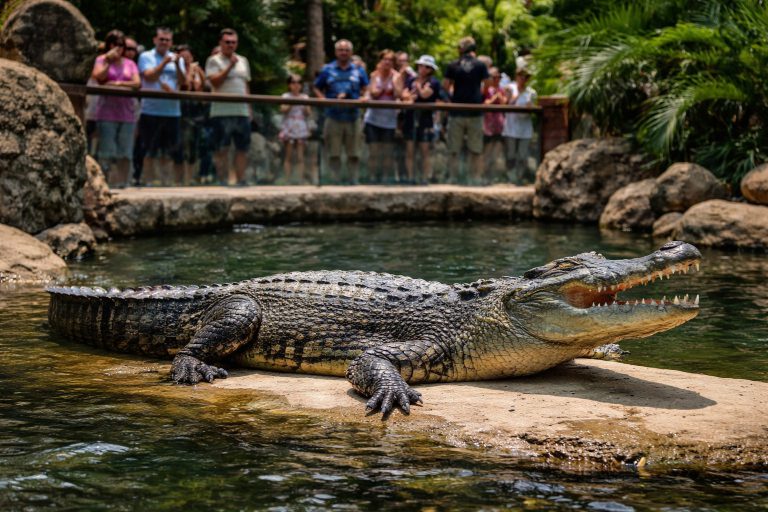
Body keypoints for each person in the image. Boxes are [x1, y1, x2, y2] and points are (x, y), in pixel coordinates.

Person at [313, 39, 369, 185]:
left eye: (346, 50)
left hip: (353, 116)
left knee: (354, 153)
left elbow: (367, 88)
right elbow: (316, 87)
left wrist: (364, 97)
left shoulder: (358, 70)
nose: (343, 52)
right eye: (341, 50)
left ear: (351, 52)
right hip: (333, 116)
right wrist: (323, 100)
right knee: (333, 152)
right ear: (336, 52)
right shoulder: (327, 69)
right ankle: (335, 181)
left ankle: (353, 180)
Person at [137, 27, 187, 185]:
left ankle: (170, 182)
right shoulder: (146, 56)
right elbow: (149, 77)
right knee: (149, 150)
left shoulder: (177, 59)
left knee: (171, 151)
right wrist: (164, 63)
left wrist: (177, 65)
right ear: (155, 40)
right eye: (161, 39)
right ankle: (148, 181)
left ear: (171, 42)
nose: (164, 42)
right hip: (150, 111)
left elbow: (183, 82)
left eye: (167, 40)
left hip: (172, 112)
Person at [90, 29, 140, 188]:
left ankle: (124, 183)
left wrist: (118, 84)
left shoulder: (130, 63)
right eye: (114, 44)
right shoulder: (100, 60)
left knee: (125, 152)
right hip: (106, 113)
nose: (117, 48)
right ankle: (104, 184)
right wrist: (108, 61)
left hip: (127, 114)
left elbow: (137, 83)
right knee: (107, 151)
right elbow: (99, 78)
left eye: (121, 45)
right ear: (108, 44)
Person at [205, 28, 252, 186]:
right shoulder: (213, 60)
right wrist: (229, 67)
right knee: (222, 148)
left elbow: (245, 85)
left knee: (242, 148)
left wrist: (249, 108)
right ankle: (223, 180)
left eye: (233, 42)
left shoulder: (243, 60)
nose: (230, 45)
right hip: (221, 111)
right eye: (227, 42)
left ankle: (241, 180)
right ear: (220, 42)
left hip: (241, 111)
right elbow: (215, 82)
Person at [443, 36, 489, 185]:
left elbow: (445, 86)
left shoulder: (453, 64)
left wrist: (454, 96)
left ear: (461, 49)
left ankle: (453, 178)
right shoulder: (481, 65)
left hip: (457, 110)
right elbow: (487, 85)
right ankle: (474, 178)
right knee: (475, 149)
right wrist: (479, 96)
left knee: (453, 149)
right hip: (475, 110)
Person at [363, 49, 403, 184]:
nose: (387, 62)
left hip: (389, 121)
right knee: (373, 151)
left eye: (390, 60)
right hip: (373, 119)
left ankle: (385, 178)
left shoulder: (397, 76)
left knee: (387, 152)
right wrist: (385, 85)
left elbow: (398, 94)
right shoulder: (375, 75)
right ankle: (372, 177)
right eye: (385, 59)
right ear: (380, 61)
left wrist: (393, 82)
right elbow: (374, 93)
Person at [402, 54, 440, 185]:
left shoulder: (434, 82)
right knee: (410, 150)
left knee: (425, 151)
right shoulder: (410, 80)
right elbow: (404, 95)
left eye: (426, 67)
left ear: (430, 69)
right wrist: (411, 94)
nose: (422, 69)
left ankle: (424, 178)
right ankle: (410, 177)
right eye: (420, 66)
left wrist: (417, 87)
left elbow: (424, 95)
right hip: (410, 118)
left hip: (426, 119)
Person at [502, 67, 537, 184]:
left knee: (522, 155)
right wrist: (515, 96)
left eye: (525, 77)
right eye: (520, 76)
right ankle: (510, 178)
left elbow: (531, 109)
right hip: (510, 128)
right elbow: (505, 104)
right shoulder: (509, 88)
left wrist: (529, 106)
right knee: (510, 154)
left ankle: (519, 178)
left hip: (525, 129)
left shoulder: (531, 92)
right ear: (516, 76)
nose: (522, 78)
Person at [279, 73, 311, 184]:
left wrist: (304, 102)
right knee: (288, 155)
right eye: (293, 82)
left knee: (300, 156)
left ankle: (300, 180)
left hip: (301, 126)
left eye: (299, 83)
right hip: (289, 125)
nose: (296, 85)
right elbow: (283, 110)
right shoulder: (285, 96)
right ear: (289, 85)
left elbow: (308, 113)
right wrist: (293, 101)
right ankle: (287, 180)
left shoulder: (305, 97)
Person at [482, 66, 506, 184]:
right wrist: (495, 98)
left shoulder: (501, 89)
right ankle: (483, 176)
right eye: (494, 77)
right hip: (488, 125)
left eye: (499, 77)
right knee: (486, 152)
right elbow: (485, 103)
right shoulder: (486, 89)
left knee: (496, 154)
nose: (497, 79)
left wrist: (498, 97)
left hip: (499, 125)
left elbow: (504, 103)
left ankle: (493, 177)